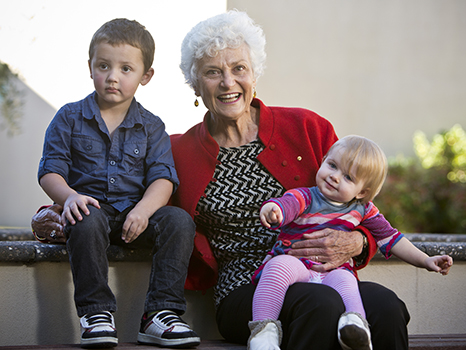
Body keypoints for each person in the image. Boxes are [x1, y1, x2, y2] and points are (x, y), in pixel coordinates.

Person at [169, 10, 411, 350]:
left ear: (254, 75)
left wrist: (356, 244)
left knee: (386, 306)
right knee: (318, 305)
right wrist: (67, 210)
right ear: (195, 83)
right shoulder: (178, 151)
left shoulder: (308, 128)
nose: (228, 82)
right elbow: (131, 198)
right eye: (213, 72)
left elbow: (364, 209)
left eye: (239, 68)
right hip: (246, 288)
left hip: (324, 274)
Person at [37, 18, 199, 349]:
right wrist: (68, 197)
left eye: (126, 68)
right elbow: (50, 171)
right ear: (90, 66)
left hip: (137, 216)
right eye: (103, 66)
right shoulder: (68, 118)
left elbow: (163, 179)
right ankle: (96, 313)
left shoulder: (152, 127)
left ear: (145, 76)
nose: (113, 76)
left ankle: (160, 314)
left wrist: (143, 210)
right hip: (92, 212)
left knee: (179, 221)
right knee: (84, 216)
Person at [253, 135, 453, 350]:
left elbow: (392, 238)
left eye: (348, 177)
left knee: (347, 282)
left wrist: (425, 260)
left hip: (333, 272)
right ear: (323, 161)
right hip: (297, 266)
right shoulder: (306, 197)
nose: (335, 177)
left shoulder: (364, 210)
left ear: (362, 192)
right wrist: (274, 211)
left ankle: (356, 329)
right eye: (332, 165)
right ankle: (264, 331)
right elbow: (286, 206)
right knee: (278, 266)